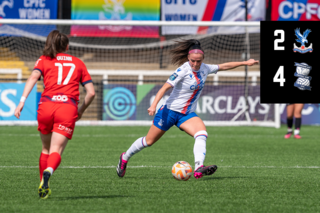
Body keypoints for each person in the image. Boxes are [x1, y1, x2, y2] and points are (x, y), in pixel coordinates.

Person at [116, 39, 259, 179]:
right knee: (149, 141)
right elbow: (165, 87)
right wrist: (153, 105)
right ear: (188, 58)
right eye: (193, 61)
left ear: (202, 59)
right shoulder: (182, 70)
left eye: (199, 61)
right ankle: (125, 157)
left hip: (187, 115)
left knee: (202, 134)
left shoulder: (205, 68)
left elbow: (224, 66)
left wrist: (245, 63)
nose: (196, 64)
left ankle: (198, 168)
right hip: (169, 112)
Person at [14, 30, 95, 199]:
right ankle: (49, 172)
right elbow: (91, 93)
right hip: (67, 108)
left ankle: (43, 184)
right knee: (56, 149)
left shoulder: (44, 60)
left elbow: (32, 78)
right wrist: (80, 111)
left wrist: (22, 101)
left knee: (45, 148)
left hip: (46, 106)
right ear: (67, 46)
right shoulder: (78, 63)